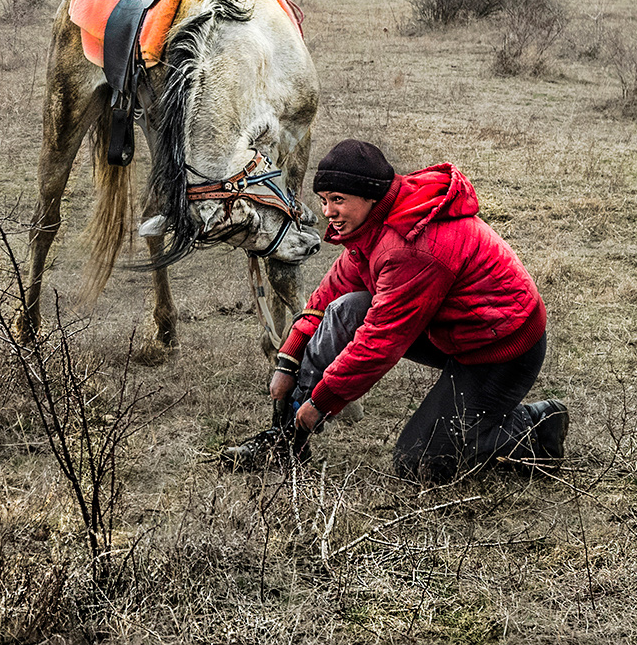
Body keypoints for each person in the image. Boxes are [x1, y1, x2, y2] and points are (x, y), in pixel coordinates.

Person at [233, 138, 568, 481]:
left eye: (338, 200)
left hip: (502, 350)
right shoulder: (375, 223)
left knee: (419, 463)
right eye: (323, 200)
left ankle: (536, 426)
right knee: (347, 308)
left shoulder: (409, 245)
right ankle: (288, 439)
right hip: (455, 330)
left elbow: (379, 345)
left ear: (369, 197)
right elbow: (330, 293)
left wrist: (321, 404)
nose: (327, 213)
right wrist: (288, 361)